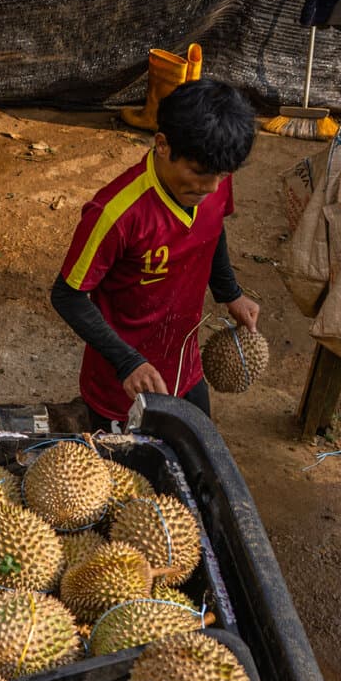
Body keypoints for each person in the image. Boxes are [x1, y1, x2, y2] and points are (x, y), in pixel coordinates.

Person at [51, 77, 263, 427]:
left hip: (185, 366)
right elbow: (67, 295)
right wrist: (126, 361)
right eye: (198, 172)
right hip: (123, 385)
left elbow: (212, 233)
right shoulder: (115, 213)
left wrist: (231, 293)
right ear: (162, 145)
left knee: (194, 458)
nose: (210, 187)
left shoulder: (213, 180)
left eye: (221, 175)